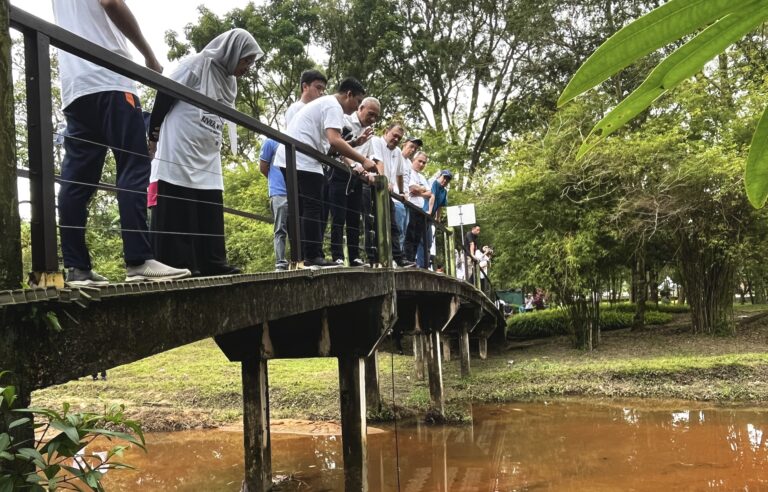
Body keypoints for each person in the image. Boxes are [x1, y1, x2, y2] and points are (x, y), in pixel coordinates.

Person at [52, 0, 191, 285]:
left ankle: (77, 268)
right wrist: (150, 58)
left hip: (74, 87)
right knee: (134, 164)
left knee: (76, 182)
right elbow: (110, 2)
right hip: (110, 79)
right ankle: (138, 260)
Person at [149, 29, 263, 276]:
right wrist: (153, 134)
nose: (247, 67)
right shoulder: (195, 64)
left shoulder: (229, 80)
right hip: (180, 146)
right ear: (233, 52)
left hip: (208, 151)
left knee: (209, 204)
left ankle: (212, 261)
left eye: (250, 62)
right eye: (246, 60)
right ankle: (181, 264)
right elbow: (165, 92)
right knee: (180, 202)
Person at [272, 77, 378, 268]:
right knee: (314, 208)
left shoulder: (326, 104)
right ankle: (312, 257)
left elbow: (330, 148)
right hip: (302, 158)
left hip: (294, 157)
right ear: (349, 94)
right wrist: (363, 160)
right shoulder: (333, 106)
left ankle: (303, 257)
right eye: (357, 103)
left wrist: (354, 143)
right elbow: (335, 140)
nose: (356, 108)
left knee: (305, 208)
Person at [329, 97, 381, 266]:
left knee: (354, 217)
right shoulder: (345, 120)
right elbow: (338, 147)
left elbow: (368, 157)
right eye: (370, 114)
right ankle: (337, 255)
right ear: (361, 108)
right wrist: (353, 164)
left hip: (358, 178)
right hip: (340, 172)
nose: (372, 119)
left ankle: (354, 256)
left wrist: (367, 171)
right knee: (338, 216)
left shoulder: (370, 132)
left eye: (376, 116)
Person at [259, 138, 289, 271]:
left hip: (295, 192)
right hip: (278, 192)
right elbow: (263, 168)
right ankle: (280, 263)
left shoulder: (293, 142)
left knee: (297, 229)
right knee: (280, 228)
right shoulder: (270, 142)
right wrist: (275, 181)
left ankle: (297, 261)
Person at [403, 151, 432, 266]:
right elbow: (412, 188)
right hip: (410, 205)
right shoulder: (408, 171)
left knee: (417, 236)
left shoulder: (422, 176)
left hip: (420, 209)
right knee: (408, 235)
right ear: (413, 160)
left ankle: (412, 260)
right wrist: (422, 189)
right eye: (419, 161)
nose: (421, 164)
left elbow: (430, 193)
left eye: (424, 163)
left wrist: (420, 191)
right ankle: (407, 259)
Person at [422, 170, 452, 269]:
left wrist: (437, 218)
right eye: (444, 178)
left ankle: (425, 265)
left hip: (430, 219)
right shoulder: (434, 183)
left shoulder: (444, 191)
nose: (445, 181)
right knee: (421, 239)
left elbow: (440, 206)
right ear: (439, 176)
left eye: (447, 179)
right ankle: (421, 264)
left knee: (429, 241)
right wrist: (430, 211)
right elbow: (432, 196)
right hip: (424, 212)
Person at [398, 136, 423, 250]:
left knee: (404, 230)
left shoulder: (408, 163)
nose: (413, 150)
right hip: (396, 198)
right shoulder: (397, 154)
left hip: (406, 201)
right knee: (397, 229)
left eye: (415, 148)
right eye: (411, 146)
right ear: (404, 144)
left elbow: (407, 181)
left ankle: (399, 258)